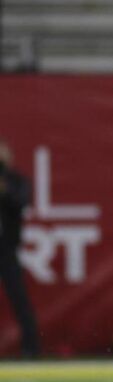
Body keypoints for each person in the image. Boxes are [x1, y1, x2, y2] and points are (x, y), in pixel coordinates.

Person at [0, 139, 40, 358]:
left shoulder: (16, 181)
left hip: (6, 250)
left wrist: (4, 190)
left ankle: (31, 348)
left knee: (19, 298)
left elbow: (21, 201)